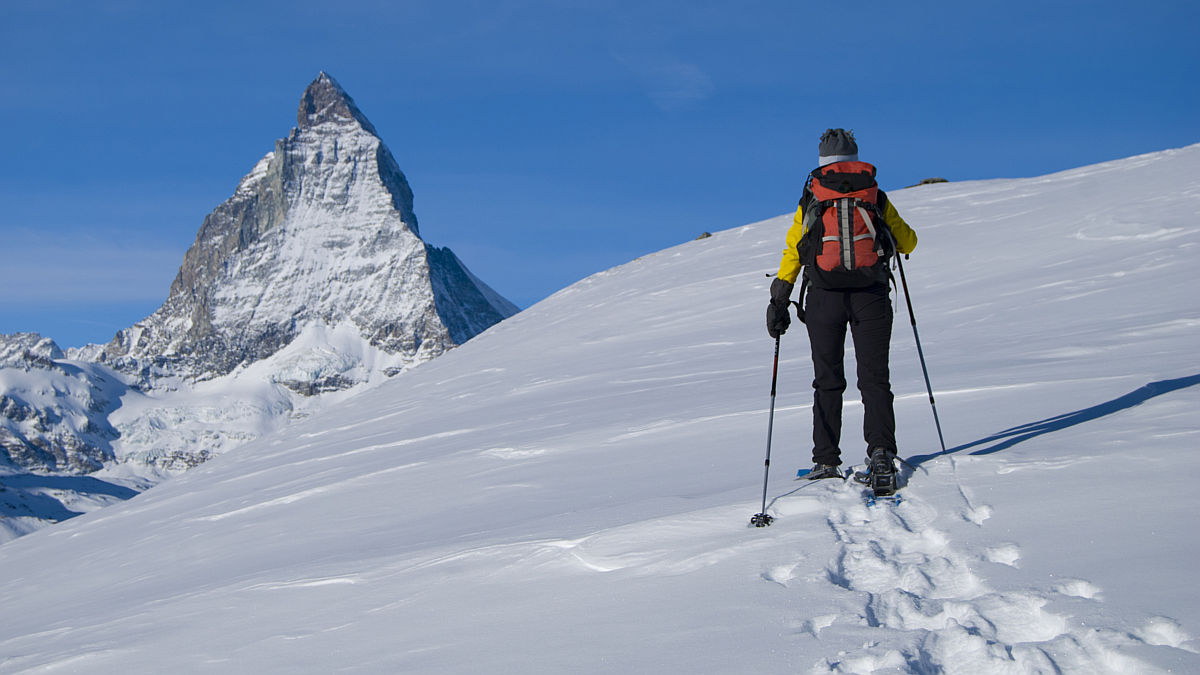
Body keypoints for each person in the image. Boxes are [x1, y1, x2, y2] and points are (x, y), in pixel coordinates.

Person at [765, 129, 918, 494]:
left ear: (821, 161)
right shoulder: (874, 194)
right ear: (855, 156)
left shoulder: (814, 197)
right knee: (875, 378)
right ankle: (881, 453)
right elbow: (908, 240)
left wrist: (779, 298)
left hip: (824, 298)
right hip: (872, 295)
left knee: (827, 379)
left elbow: (795, 249)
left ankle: (826, 460)